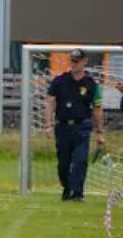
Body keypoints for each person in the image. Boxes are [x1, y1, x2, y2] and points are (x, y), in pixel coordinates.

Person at [43, 48, 105, 202]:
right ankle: (67, 188)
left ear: (84, 62)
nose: (74, 64)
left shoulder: (91, 84)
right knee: (63, 162)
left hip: (82, 126)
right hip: (63, 126)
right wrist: (48, 124)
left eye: (77, 61)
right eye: (72, 61)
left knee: (80, 160)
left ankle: (77, 193)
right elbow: (50, 102)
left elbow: (97, 108)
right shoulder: (59, 81)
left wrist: (100, 132)